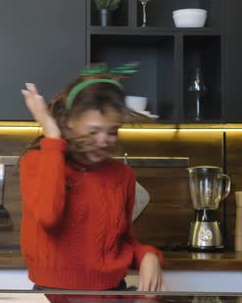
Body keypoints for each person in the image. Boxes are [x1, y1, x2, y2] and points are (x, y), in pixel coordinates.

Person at [19, 65, 166, 291]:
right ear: (69, 121)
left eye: (112, 132)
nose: (104, 141)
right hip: (54, 296)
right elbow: (49, 217)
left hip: (112, 293)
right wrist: (52, 136)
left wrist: (148, 256)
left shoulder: (122, 175)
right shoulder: (38, 161)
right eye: (93, 131)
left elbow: (119, 242)